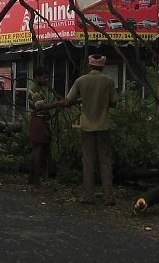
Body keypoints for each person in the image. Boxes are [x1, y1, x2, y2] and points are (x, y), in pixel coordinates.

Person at [59, 54, 118, 206]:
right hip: (103, 124)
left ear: (90, 65)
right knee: (105, 161)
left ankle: (88, 196)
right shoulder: (108, 81)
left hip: (86, 125)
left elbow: (68, 100)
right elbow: (114, 103)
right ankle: (108, 197)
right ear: (102, 66)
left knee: (88, 161)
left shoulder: (81, 80)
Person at [28, 66, 62, 193]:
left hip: (41, 122)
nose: (46, 80)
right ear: (37, 77)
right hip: (38, 122)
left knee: (41, 151)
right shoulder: (35, 90)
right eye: (44, 77)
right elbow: (40, 107)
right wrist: (58, 104)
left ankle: (32, 178)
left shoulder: (41, 89)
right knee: (39, 151)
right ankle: (36, 185)